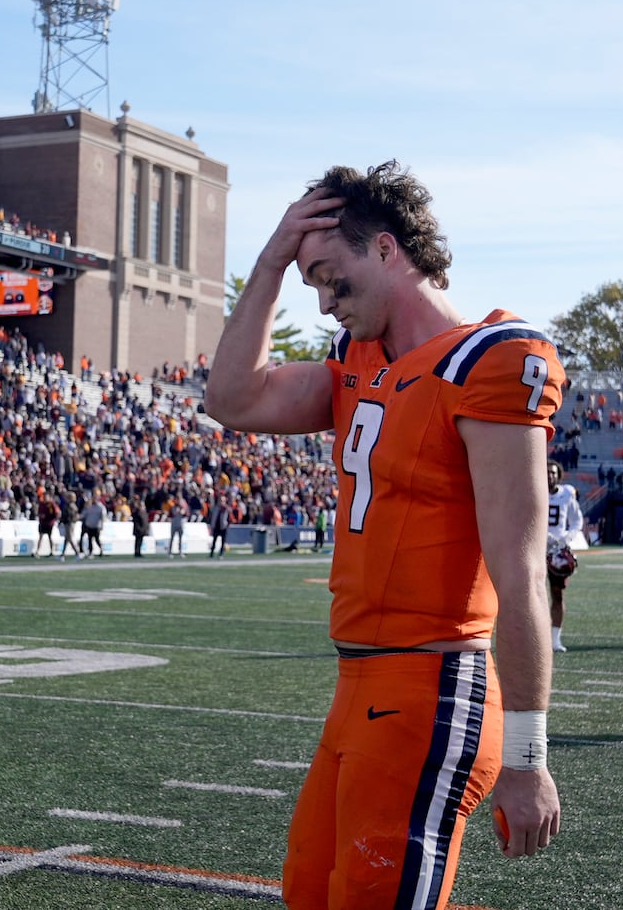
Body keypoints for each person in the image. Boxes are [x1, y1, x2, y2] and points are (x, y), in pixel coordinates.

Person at [204, 160, 563, 909]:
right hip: (356, 686)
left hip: (434, 687)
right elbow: (231, 397)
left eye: (331, 278)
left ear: (387, 250)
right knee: (309, 892)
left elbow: (522, 572)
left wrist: (528, 756)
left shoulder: (490, 360)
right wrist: (272, 261)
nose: (327, 303)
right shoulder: (356, 361)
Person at [546, 462, 583, 654]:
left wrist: (568, 536)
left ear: (558, 476)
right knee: (530, 596)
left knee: (557, 595)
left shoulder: (567, 493)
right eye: (546, 473)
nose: (549, 476)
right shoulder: (534, 490)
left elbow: (577, 520)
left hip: (557, 550)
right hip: (535, 548)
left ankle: (555, 640)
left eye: (553, 473)